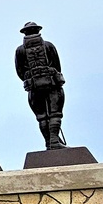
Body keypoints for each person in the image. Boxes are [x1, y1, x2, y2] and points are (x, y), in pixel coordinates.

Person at [15, 21, 65, 150]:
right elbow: (57, 65)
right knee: (55, 114)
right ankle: (54, 141)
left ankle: (48, 142)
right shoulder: (48, 46)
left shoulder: (20, 50)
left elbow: (20, 71)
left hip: (33, 86)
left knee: (41, 116)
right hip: (52, 84)